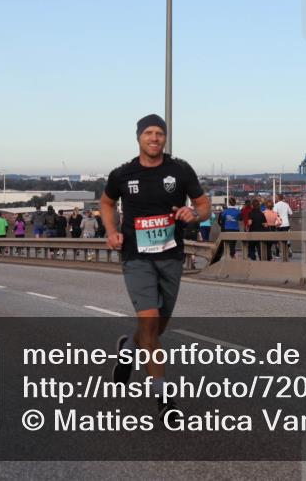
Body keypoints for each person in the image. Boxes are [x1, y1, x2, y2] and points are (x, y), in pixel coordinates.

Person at [102, 114, 209, 420]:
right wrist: (111, 231)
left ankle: (128, 350)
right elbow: (106, 203)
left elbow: (203, 205)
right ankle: (164, 400)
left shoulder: (180, 170)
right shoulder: (123, 174)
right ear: (139, 137)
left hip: (171, 256)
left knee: (158, 327)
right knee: (149, 325)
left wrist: (194, 214)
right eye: (148, 133)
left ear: (165, 138)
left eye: (159, 133)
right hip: (136, 257)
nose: (154, 138)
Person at [272, 193, 293, 258]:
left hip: (279, 224)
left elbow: (274, 214)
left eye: (276, 197)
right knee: (286, 238)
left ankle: (277, 253)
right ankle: (288, 250)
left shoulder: (276, 205)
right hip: (286, 224)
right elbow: (291, 213)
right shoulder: (286, 204)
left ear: (278, 198)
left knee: (277, 239)